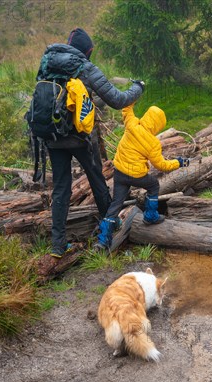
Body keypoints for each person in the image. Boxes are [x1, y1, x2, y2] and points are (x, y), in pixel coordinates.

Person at [37, 28, 144, 258]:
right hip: (80, 137)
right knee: (97, 179)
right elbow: (117, 99)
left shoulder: (47, 62)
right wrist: (138, 87)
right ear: (88, 51)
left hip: (52, 136)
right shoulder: (83, 66)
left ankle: (58, 245)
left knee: (61, 188)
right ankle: (109, 229)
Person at [95, 103, 190, 250]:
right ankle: (150, 216)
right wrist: (178, 162)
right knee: (153, 185)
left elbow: (126, 109)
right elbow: (162, 165)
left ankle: (103, 240)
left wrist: (132, 97)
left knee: (116, 203)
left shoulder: (132, 124)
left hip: (119, 173)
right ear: (157, 125)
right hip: (136, 175)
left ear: (146, 116)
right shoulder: (153, 143)